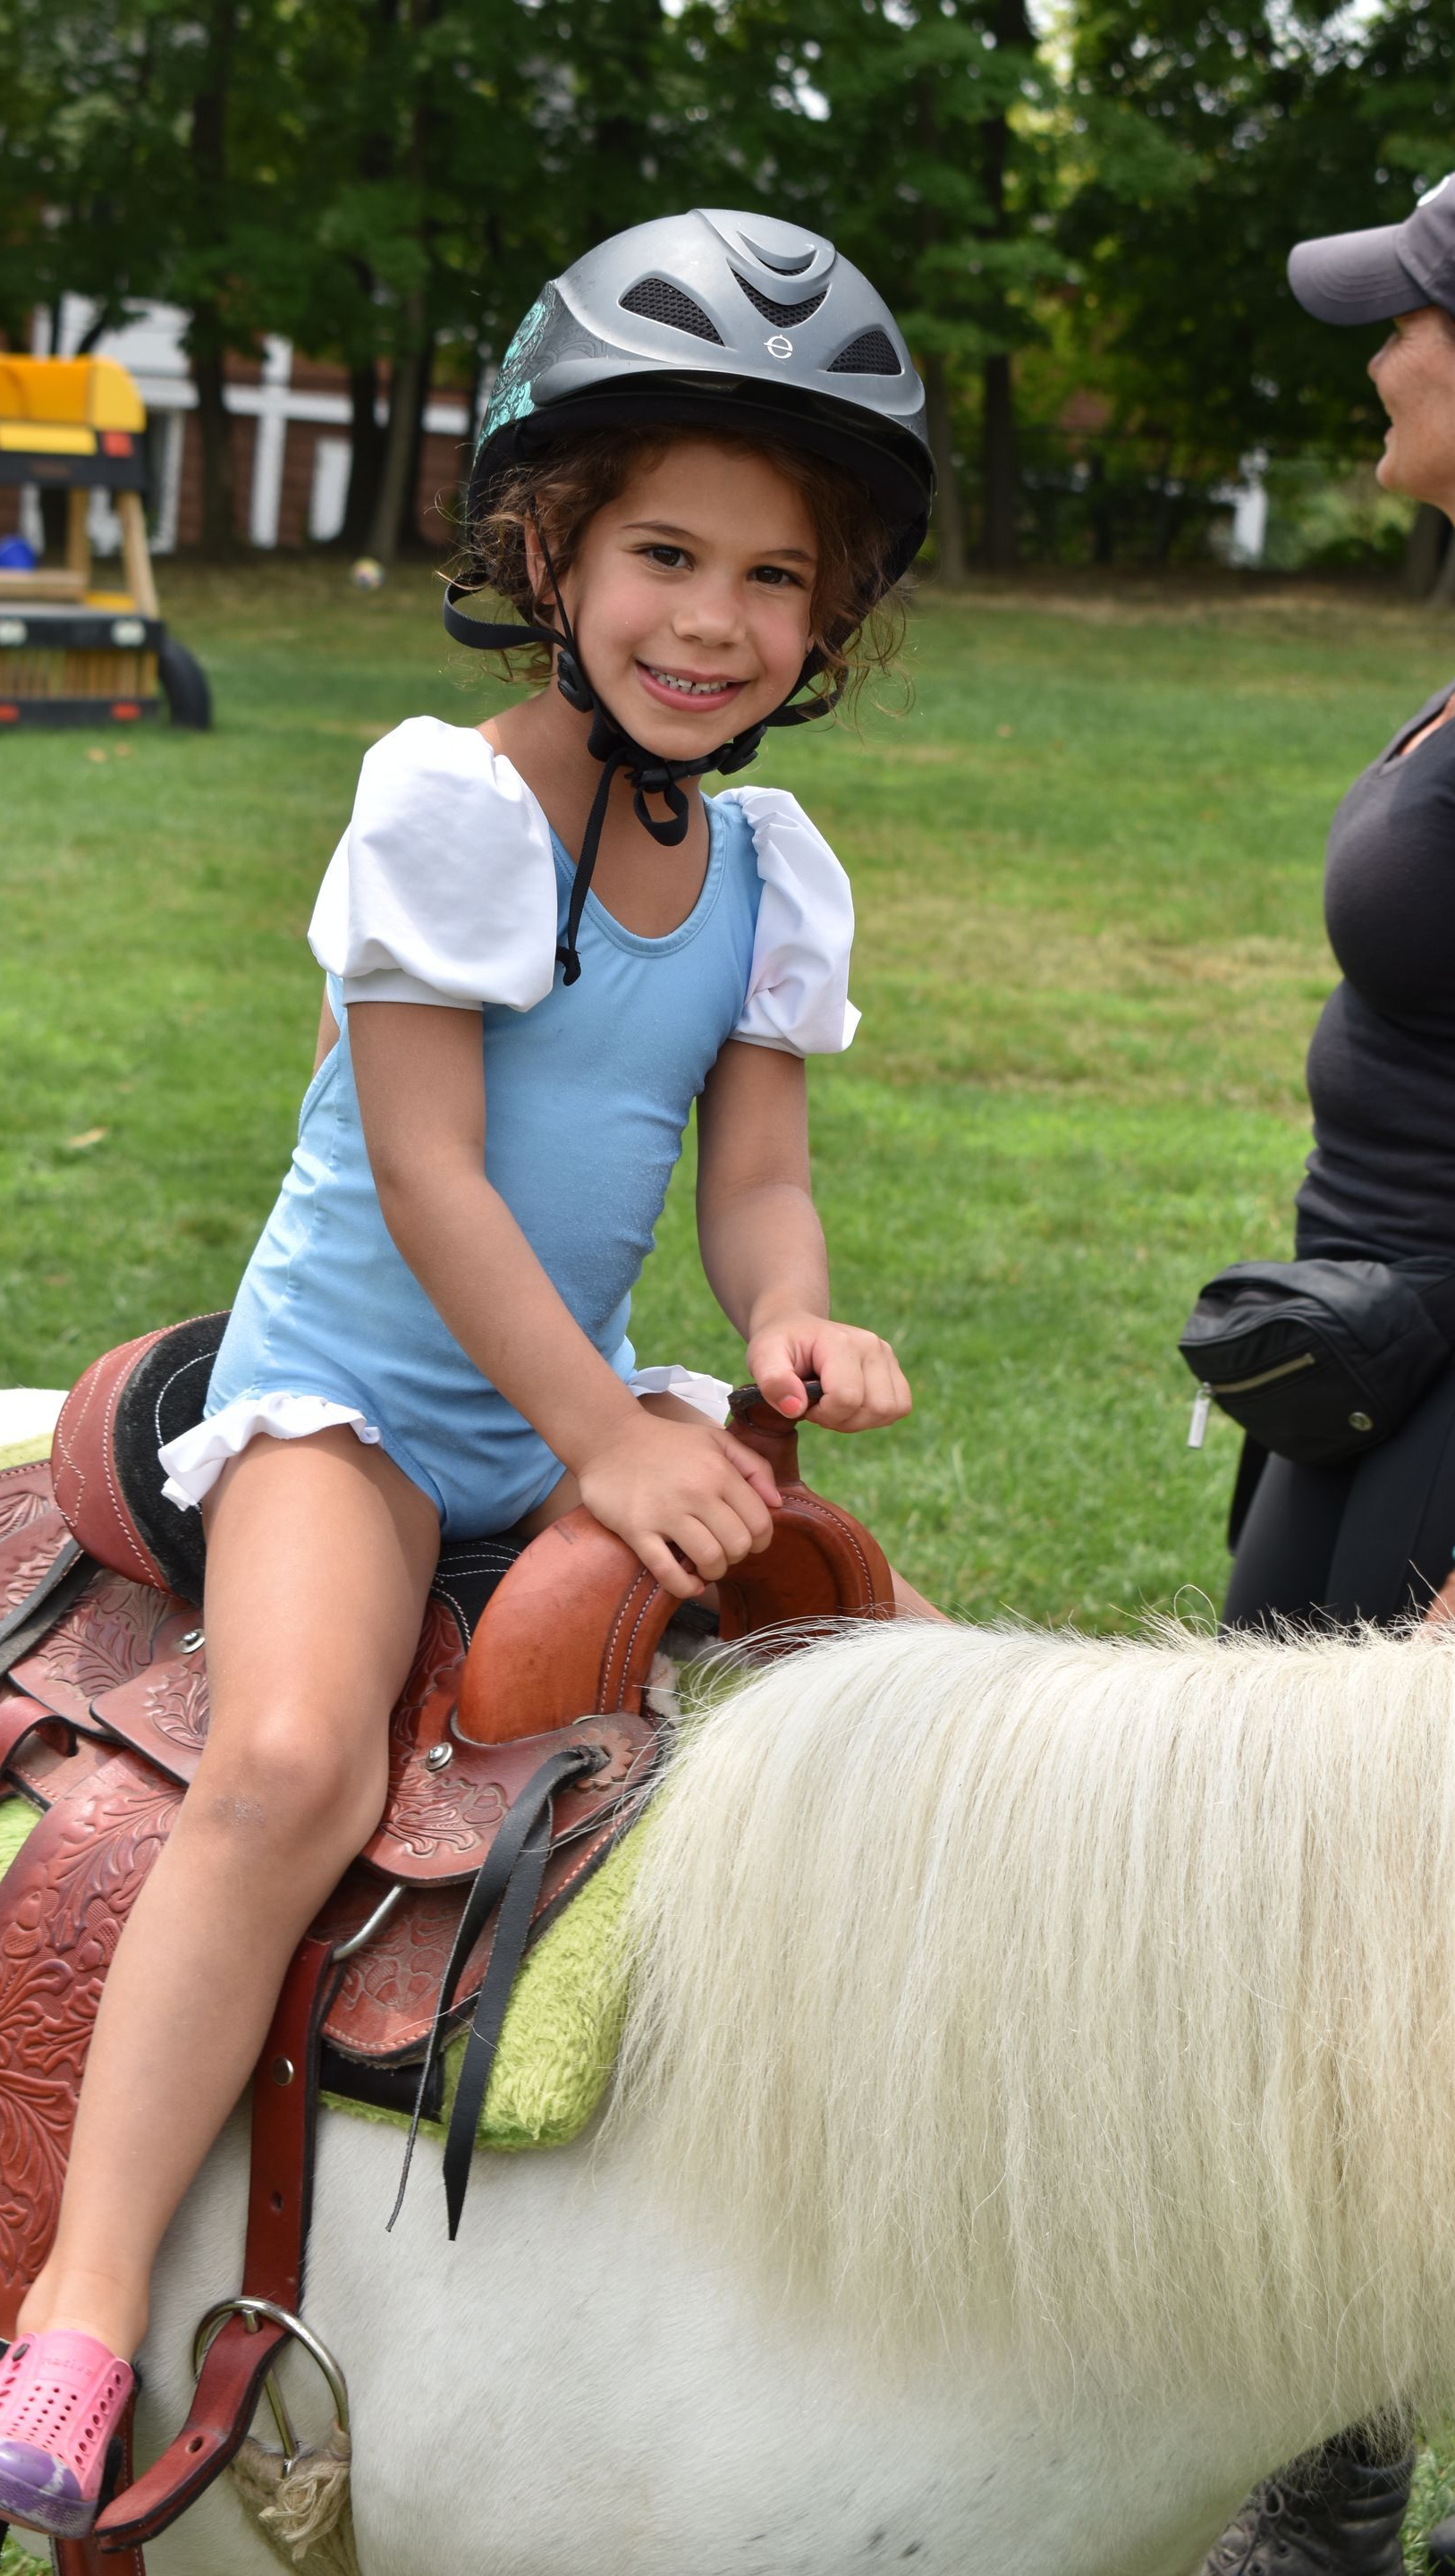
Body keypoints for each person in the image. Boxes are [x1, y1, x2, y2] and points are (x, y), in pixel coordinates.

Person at [0, 206, 933, 2538]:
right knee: (283, 1762)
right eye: (667, 553)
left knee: (822, 1708)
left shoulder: (774, 869)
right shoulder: (448, 811)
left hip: (570, 1393)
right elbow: (436, 1175)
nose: (715, 622)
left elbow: (754, 1175)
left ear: (835, 614)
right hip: (363, 1403)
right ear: (548, 547)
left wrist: (784, 1314)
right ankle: (78, 2309)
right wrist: (600, 1436)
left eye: (778, 578)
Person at [1205, 174, 1455, 2576]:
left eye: (1409, 321)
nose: (1376, 354)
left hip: (1446, 1418)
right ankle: (1321, 2462)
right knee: (1319, 1936)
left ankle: (1325, 2495)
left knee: (1375, 1949)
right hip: (1372, 1370)